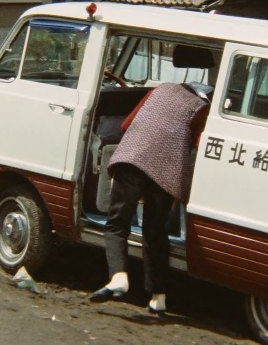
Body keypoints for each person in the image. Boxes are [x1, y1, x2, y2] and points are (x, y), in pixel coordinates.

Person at [88, 81, 211, 315]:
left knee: (117, 223)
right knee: (155, 232)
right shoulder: (201, 107)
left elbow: (126, 125)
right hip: (166, 172)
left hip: (133, 160)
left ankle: (118, 276)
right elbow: (200, 144)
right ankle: (158, 297)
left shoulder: (160, 90)